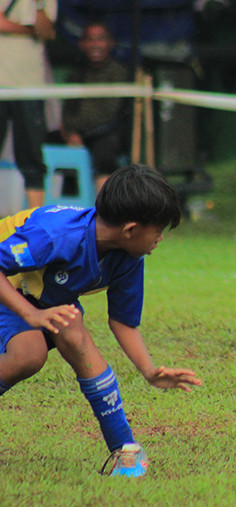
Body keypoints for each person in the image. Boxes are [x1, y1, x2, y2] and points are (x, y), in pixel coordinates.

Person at [0, 163, 202, 477]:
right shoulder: (58, 235)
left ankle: (124, 452)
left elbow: (123, 322)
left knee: (73, 331)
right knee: (29, 355)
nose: (160, 239)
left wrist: (149, 371)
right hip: (9, 286)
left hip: (41, 296)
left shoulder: (128, 257)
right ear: (131, 229)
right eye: (158, 231)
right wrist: (31, 314)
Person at [0, 0, 58, 208]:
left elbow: (47, 33)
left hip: (29, 87)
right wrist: (27, 29)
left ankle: (36, 219)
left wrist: (38, 1)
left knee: (32, 157)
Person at [60, 22, 130, 191]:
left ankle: (104, 202)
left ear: (111, 43)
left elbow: (108, 113)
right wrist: (70, 133)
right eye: (90, 40)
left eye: (101, 39)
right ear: (82, 44)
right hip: (77, 134)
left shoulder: (119, 73)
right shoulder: (77, 73)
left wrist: (79, 132)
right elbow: (67, 110)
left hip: (106, 133)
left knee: (104, 150)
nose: (95, 45)